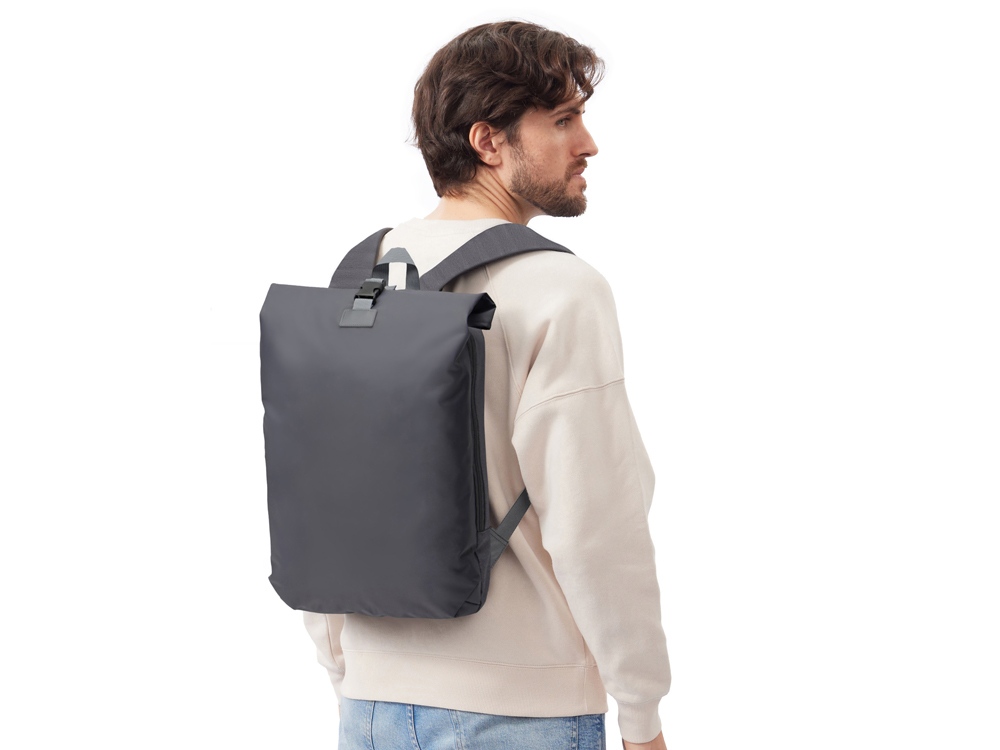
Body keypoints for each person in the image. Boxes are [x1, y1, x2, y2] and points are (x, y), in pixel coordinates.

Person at [303, 20, 671, 750]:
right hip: (518, 714)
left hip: (369, 709)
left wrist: (348, 669)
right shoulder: (560, 288)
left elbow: (323, 499)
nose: (588, 143)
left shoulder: (358, 279)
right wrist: (642, 714)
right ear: (488, 141)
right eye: (562, 120)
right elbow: (597, 530)